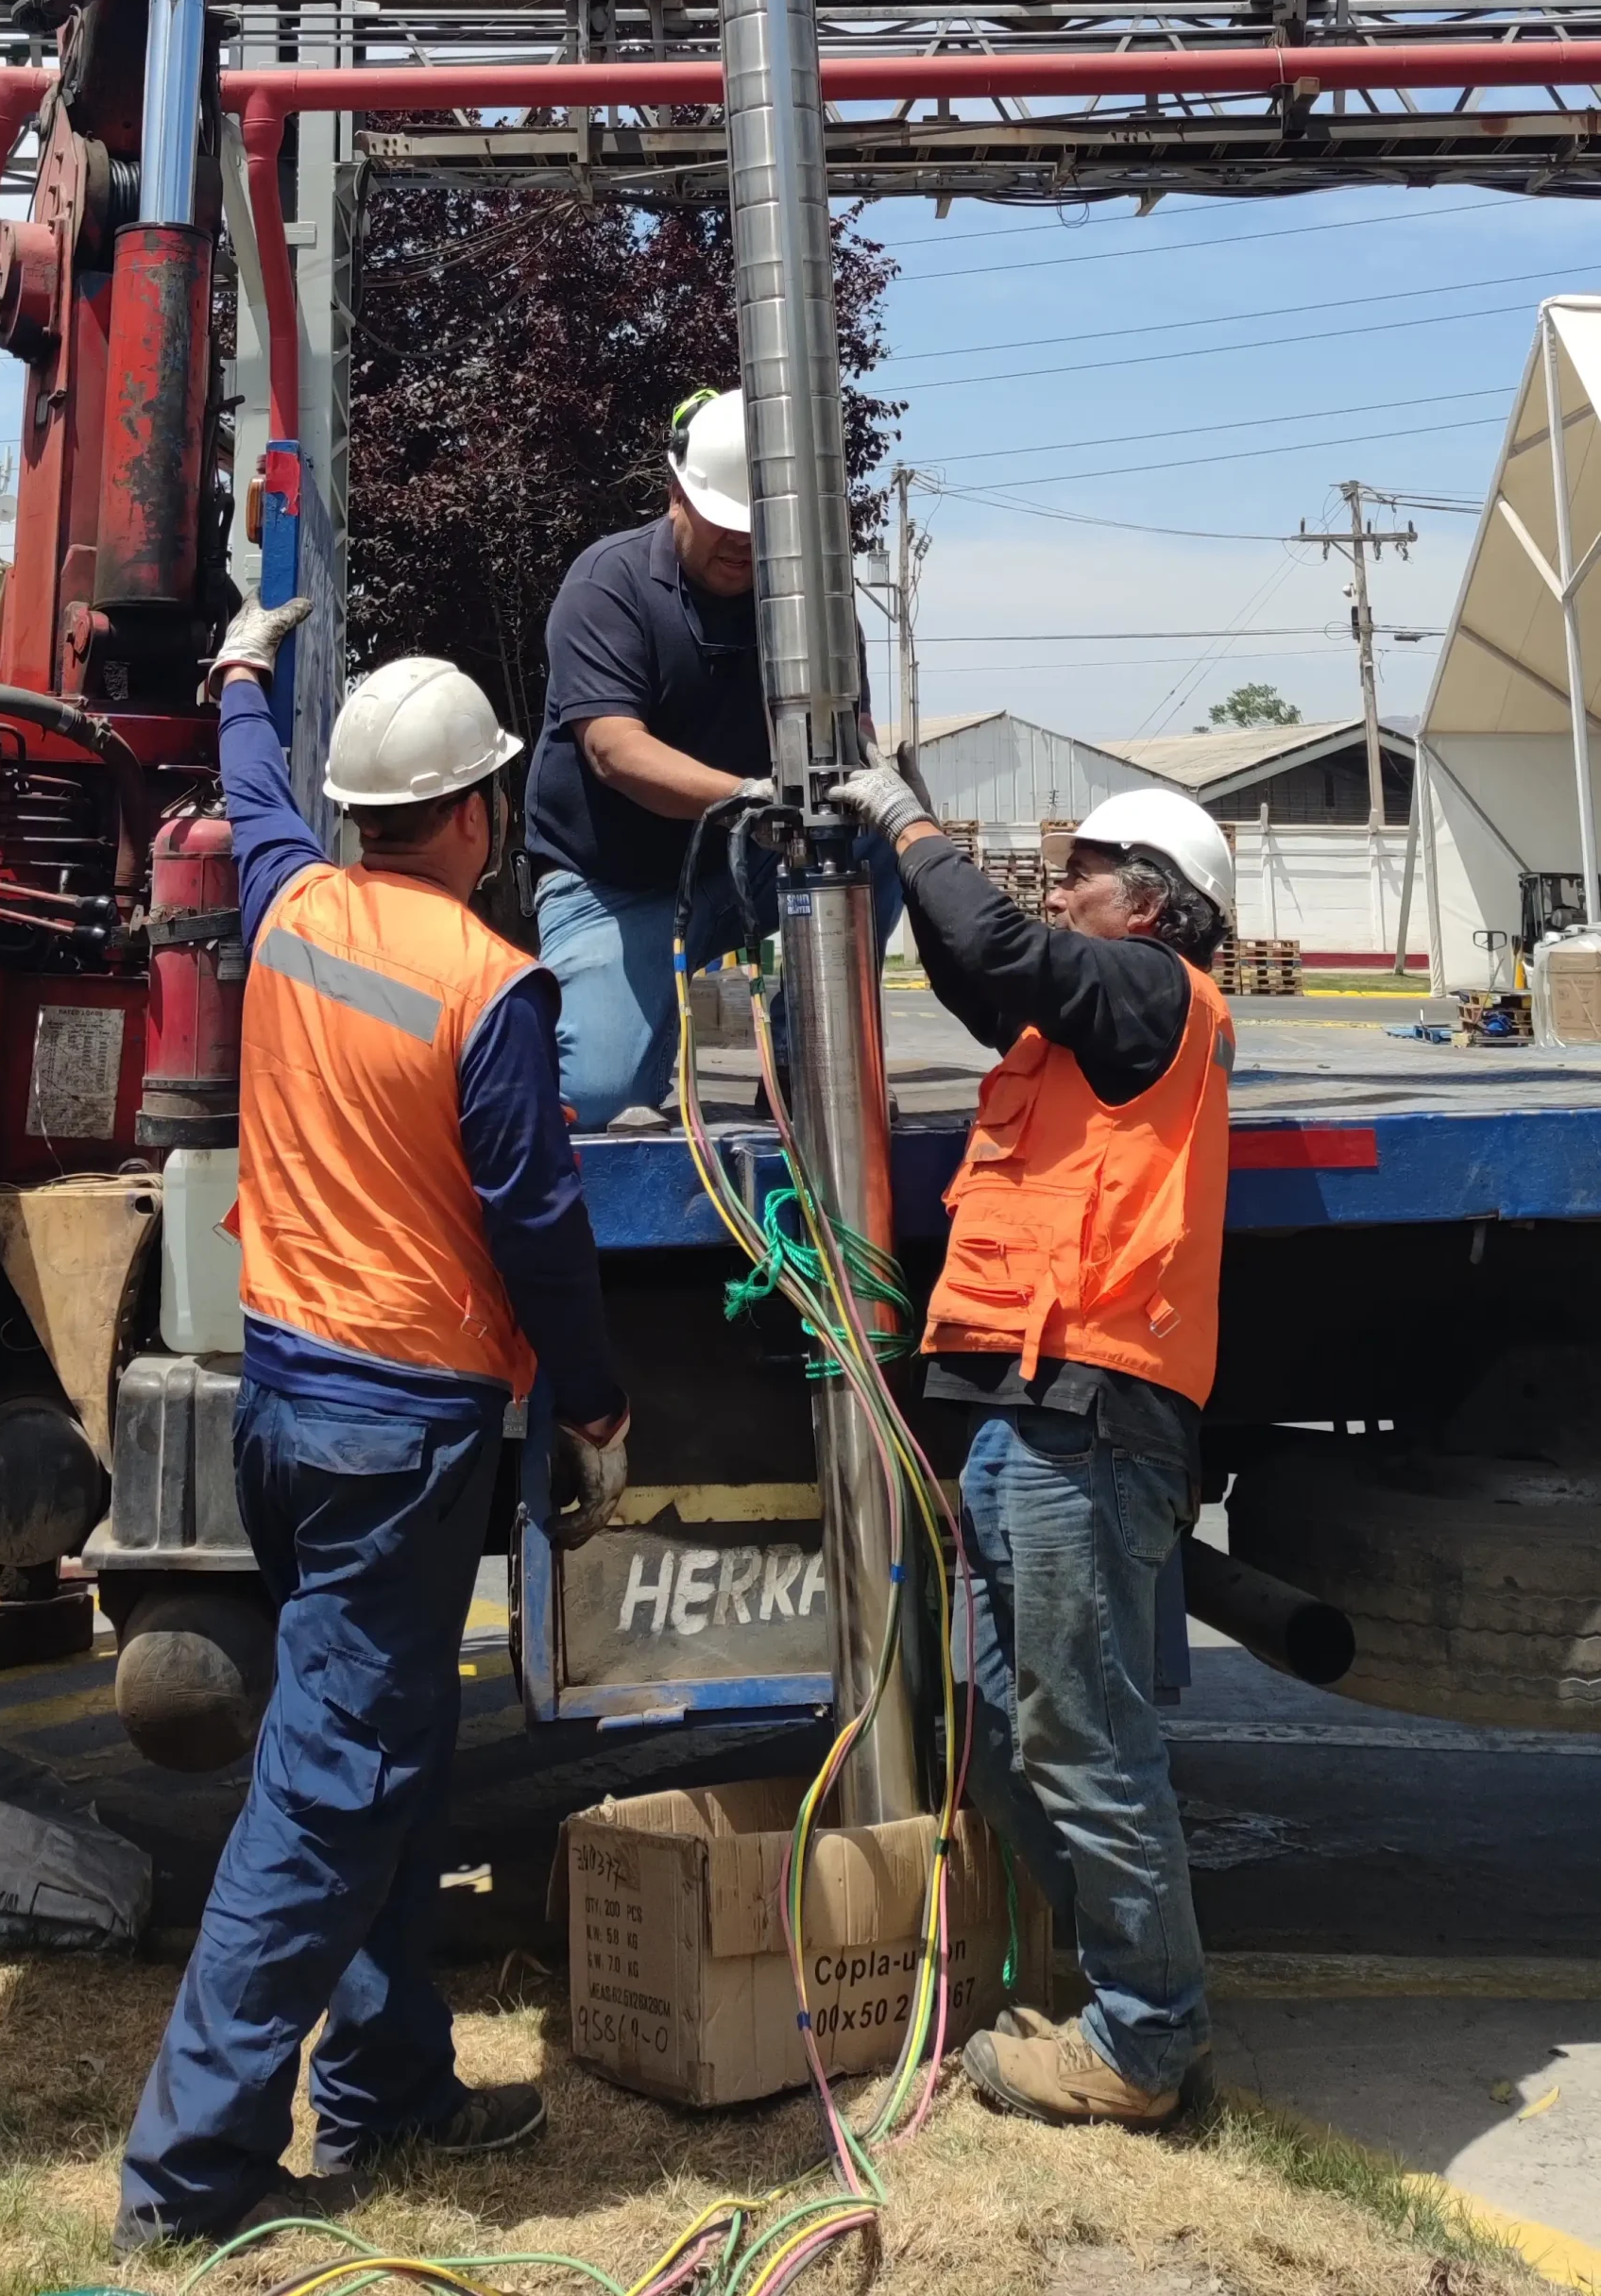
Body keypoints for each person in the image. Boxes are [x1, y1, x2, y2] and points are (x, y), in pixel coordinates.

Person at [117, 603, 629, 2253]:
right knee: (334, 1781)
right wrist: (600, 1403)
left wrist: (248, 665)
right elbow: (541, 1226)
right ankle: (190, 2183)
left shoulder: (286, 906)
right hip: (397, 1429)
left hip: (282, 1401)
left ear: (361, 816)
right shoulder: (488, 986)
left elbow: (246, 775)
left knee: (385, 1754)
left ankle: (391, 2083)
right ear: (476, 818)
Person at [826, 764, 1235, 2134]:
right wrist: (897, 869)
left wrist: (908, 823)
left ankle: (1145, 2038)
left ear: (1157, 905)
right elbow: (976, 964)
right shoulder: (1084, 1026)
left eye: (1085, 871)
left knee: (1082, 1738)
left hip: (1094, 1424)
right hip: (1032, 1417)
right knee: (1006, 1736)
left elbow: (1001, 940)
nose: (1058, 888)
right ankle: (1121, 1998)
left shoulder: (1152, 993)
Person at [522, 386, 905, 1129]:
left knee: (870, 834)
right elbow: (613, 750)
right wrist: (750, 798)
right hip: (613, 884)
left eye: (760, 527)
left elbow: (849, 738)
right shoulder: (611, 584)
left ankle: (805, 1063)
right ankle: (626, 1047)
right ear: (674, 491)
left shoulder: (812, 607)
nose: (742, 543)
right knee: (596, 1101)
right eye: (724, 522)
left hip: (749, 864)